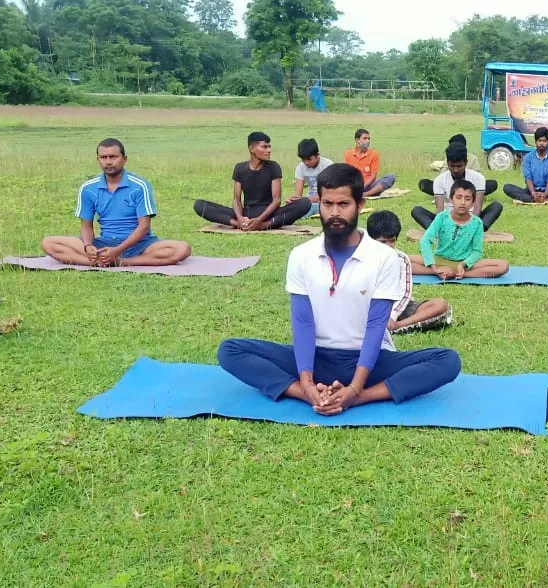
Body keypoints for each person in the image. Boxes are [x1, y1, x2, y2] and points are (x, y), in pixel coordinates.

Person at [216, 163, 461, 415]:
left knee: (448, 360)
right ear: (319, 204)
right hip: (316, 357)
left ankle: (364, 397)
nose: (334, 213)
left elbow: (376, 327)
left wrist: (355, 390)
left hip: (370, 359)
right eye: (327, 204)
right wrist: (307, 383)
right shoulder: (302, 255)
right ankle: (305, 395)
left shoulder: (384, 258)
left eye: (343, 204)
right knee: (230, 350)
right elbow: (303, 323)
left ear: (361, 204)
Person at [42, 138, 191, 267]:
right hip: (104, 244)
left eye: (113, 157)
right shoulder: (88, 188)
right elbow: (86, 226)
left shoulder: (140, 186)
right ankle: (94, 262)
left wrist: (117, 252)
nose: (108, 162)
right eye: (103, 157)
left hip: (140, 245)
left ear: (124, 159)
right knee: (48, 243)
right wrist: (88, 246)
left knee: (182, 249)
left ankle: (121, 262)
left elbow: (144, 226)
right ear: (98, 160)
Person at [193, 131, 311, 231]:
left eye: (269, 147)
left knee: (305, 203)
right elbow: (236, 199)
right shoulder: (240, 168)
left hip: (268, 214)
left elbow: (276, 200)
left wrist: (260, 220)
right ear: (252, 148)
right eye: (264, 147)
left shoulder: (274, 167)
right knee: (199, 205)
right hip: (246, 213)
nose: (269, 150)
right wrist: (239, 218)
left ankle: (264, 226)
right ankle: (238, 224)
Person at [366, 210, 452, 333]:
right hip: (370, 306)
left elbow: (405, 292)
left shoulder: (402, 259)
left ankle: (397, 326)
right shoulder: (362, 257)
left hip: (399, 308)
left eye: (392, 241)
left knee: (440, 305)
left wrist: (392, 316)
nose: (389, 246)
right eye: (383, 242)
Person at [410, 180, 510, 279]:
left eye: (467, 199)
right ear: (451, 199)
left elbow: (477, 251)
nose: (462, 202)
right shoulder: (442, 217)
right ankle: (436, 272)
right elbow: (426, 241)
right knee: (403, 260)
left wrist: (463, 265)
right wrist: (434, 266)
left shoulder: (477, 223)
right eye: (458, 197)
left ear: (473, 203)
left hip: (463, 263)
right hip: (439, 260)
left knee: (503, 266)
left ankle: (458, 274)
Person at [412, 143, 503, 231]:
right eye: (452, 166)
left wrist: (469, 225)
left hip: (472, 221)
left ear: (466, 163)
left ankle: (473, 231)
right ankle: (440, 232)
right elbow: (440, 211)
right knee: (417, 211)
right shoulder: (439, 180)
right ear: (447, 163)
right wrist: (447, 225)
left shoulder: (478, 178)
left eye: (459, 166)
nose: (455, 170)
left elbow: (477, 208)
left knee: (496, 206)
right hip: (447, 222)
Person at [344, 128, 397, 198]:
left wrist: (363, 187)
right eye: (365, 138)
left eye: (369, 139)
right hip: (354, 186)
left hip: (369, 186)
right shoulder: (348, 154)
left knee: (391, 177)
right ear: (357, 140)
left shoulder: (374, 154)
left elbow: (373, 176)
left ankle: (367, 194)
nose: (368, 141)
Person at [291, 138, 333, 218]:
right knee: (291, 207)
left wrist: (306, 200)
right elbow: (298, 195)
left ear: (317, 155)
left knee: (312, 208)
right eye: (303, 160)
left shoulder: (328, 165)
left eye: (309, 159)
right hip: (309, 200)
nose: (306, 163)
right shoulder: (300, 168)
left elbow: (329, 194)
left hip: (325, 201)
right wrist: (293, 200)